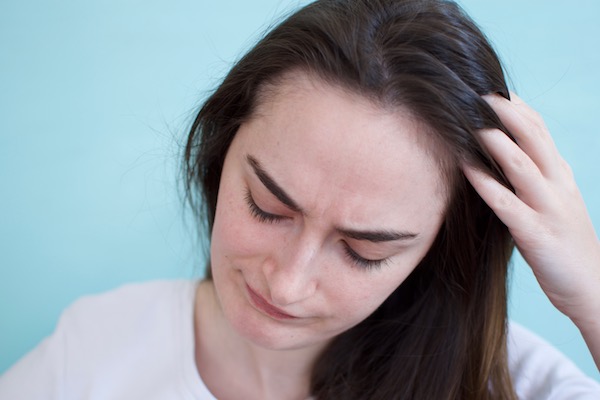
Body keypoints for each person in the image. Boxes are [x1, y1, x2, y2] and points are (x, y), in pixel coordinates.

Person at [1, 0, 599, 399]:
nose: (286, 284)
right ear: (221, 149)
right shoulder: (98, 350)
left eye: (363, 251)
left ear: (437, 250)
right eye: (267, 206)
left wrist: (592, 294)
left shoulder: (511, 383)